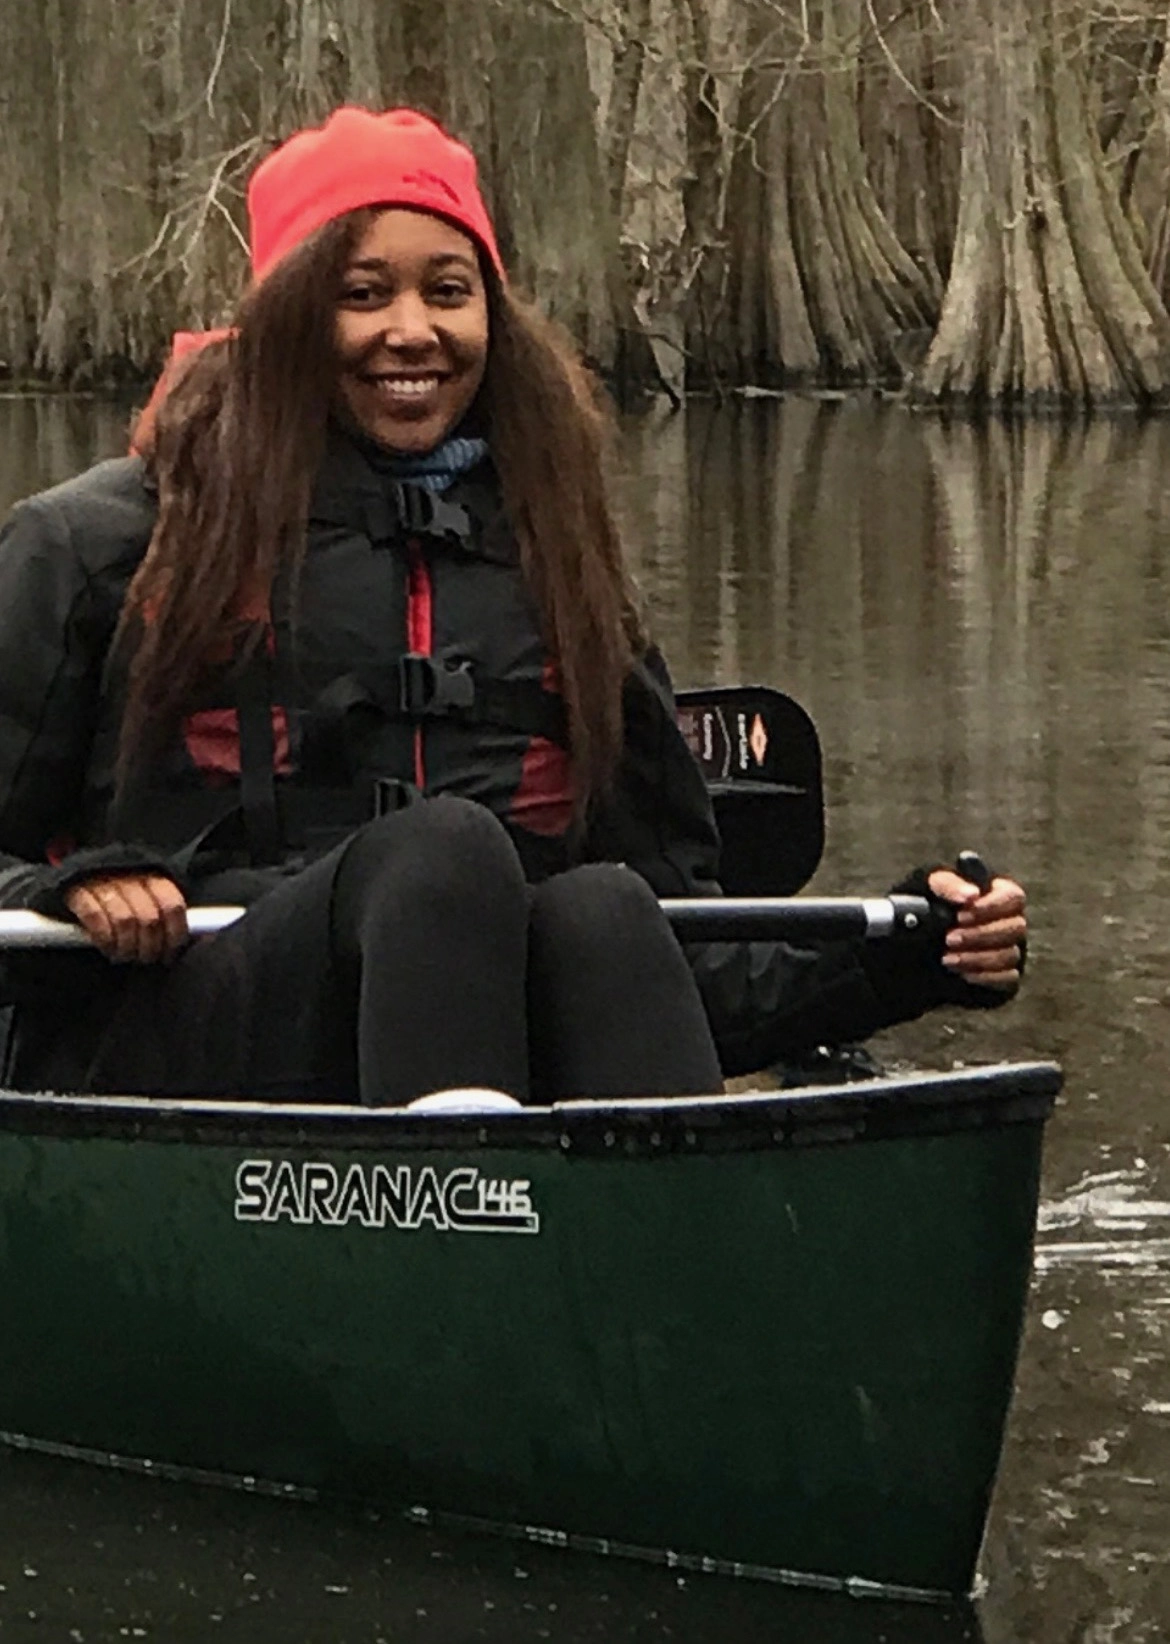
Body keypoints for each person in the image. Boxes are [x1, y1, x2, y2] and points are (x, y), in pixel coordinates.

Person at [0, 107, 1025, 1106]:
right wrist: (62, 891)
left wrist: (905, 951)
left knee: (604, 909)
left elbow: (690, 953)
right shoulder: (97, 545)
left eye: (449, 291)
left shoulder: (559, 562)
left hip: (508, 1059)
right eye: (363, 294)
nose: (414, 332)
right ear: (286, 317)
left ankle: (675, 1235)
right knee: (442, 856)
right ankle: (468, 1220)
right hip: (184, 1040)